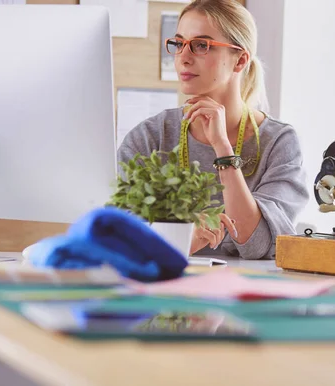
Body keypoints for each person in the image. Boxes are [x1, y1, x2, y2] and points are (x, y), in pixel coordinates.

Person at [118, 0, 309, 260]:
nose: (183, 58)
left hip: (246, 293)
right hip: (163, 289)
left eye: (201, 45)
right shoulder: (150, 137)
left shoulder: (278, 142)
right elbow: (118, 237)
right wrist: (184, 240)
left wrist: (223, 148)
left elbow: (257, 244)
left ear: (240, 60)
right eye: (179, 43)